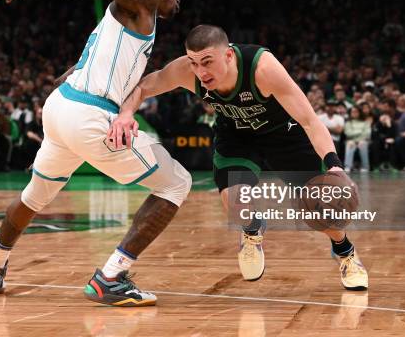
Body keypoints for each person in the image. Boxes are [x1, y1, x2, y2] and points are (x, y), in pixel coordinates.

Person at [0, 0, 189, 307]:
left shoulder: (123, 23)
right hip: (87, 114)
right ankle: (111, 277)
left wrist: (66, 122)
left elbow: (76, 71)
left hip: (62, 107)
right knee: (177, 182)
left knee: (35, 195)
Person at [110, 25, 368, 291]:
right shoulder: (188, 72)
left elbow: (310, 122)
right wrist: (126, 114)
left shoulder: (263, 69)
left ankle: (345, 250)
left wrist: (335, 166)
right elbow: (144, 86)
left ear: (229, 55)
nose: (201, 72)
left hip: (285, 135)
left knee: (323, 208)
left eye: (207, 62)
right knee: (234, 202)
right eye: (194, 63)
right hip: (236, 135)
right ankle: (252, 229)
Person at [343, 106, 371, 172]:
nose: (354, 113)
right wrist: (360, 131)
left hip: (363, 141)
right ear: (350, 113)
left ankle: (365, 167)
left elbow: (367, 134)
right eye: (353, 112)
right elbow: (348, 133)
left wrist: (355, 134)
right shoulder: (348, 123)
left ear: (359, 113)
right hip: (351, 141)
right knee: (350, 143)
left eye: (356, 111)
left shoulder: (365, 122)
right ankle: (348, 166)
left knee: (362, 143)